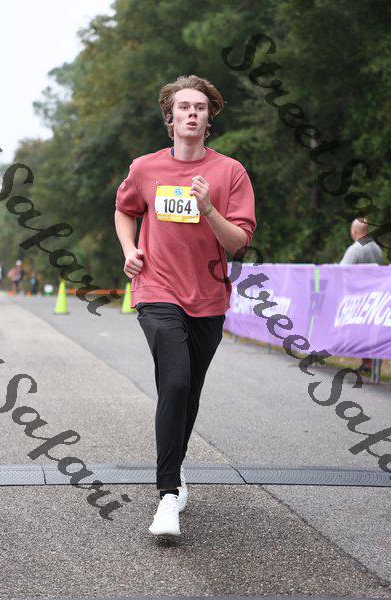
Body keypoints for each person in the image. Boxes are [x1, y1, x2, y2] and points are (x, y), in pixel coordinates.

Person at [114, 74, 256, 538]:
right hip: (156, 290)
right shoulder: (145, 168)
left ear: (208, 119)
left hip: (208, 297)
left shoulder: (230, 172)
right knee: (174, 381)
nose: (192, 113)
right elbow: (125, 209)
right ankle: (167, 495)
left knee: (187, 391)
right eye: (184, 107)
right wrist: (130, 249)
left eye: (200, 107)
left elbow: (238, 243)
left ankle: (174, 473)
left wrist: (209, 207)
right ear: (170, 117)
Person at [340, 217, 383, 374]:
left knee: (359, 332)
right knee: (369, 332)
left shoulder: (355, 249)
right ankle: (369, 364)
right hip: (374, 297)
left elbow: (341, 272)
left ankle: (367, 364)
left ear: (354, 231)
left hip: (357, 298)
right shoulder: (377, 249)